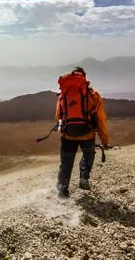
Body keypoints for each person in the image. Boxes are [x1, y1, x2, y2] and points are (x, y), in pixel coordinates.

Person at [55, 67, 109, 197]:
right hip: (87, 134)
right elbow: (101, 120)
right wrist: (104, 140)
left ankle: (62, 190)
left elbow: (58, 116)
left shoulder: (63, 95)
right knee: (88, 154)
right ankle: (84, 177)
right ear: (84, 78)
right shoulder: (93, 95)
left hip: (67, 135)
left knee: (66, 162)